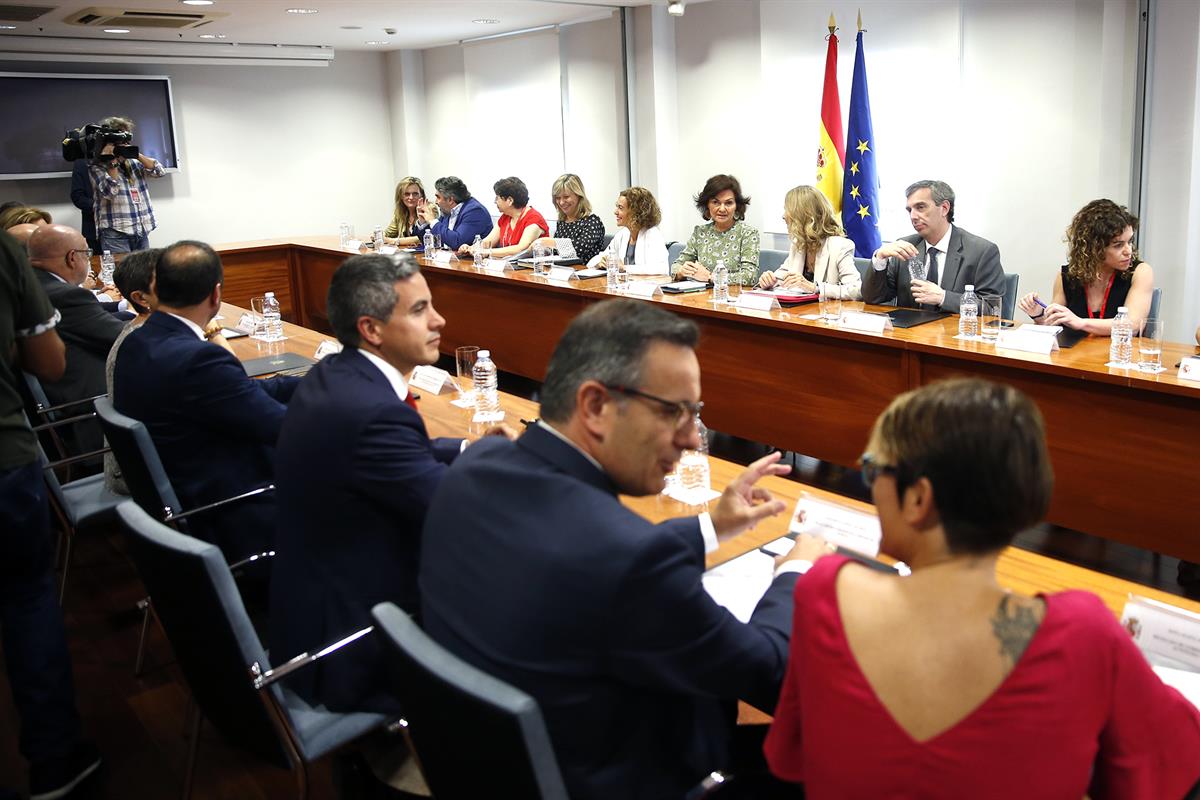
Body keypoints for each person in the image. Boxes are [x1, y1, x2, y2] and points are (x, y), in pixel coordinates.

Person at [420, 298, 828, 800]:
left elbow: (585, 547)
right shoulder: (628, 562)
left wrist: (711, 525)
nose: (694, 438)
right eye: (674, 412)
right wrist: (797, 571)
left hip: (492, 766)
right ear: (594, 406)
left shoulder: (477, 467)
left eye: (695, 414)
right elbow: (769, 670)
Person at [764, 377, 1200, 798]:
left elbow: (791, 759)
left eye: (873, 468)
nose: (868, 481)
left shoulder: (823, 592)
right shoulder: (1085, 634)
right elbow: (1173, 759)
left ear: (918, 499)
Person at [270, 253, 473, 714]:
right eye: (420, 310)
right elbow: (454, 516)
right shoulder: (373, 413)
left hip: (309, 606)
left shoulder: (335, 374)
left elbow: (382, 459)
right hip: (355, 640)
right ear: (372, 329)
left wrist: (464, 450)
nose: (440, 320)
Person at [113, 241, 300, 560]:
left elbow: (240, 394)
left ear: (155, 287)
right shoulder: (199, 359)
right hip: (236, 511)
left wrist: (312, 384)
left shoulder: (137, 342)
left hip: (183, 497)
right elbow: (282, 428)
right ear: (216, 295)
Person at [0, 230, 102, 800]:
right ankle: (55, 763)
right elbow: (47, 359)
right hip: (5, 460)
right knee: (23, 602)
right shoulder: (7, 261)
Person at [27, 224, 127, 459]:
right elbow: (122, 338)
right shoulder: (63, 294)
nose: (88, 260)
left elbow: (92, 324)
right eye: (87, 253)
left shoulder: (34, 284)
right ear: (73, 257)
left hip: (60, 406)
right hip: (93, 418)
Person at [862, 179, 1005, 312]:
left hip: (954, 336)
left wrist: (943, 297)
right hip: (909, 335)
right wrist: (880, 258)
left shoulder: (981, 251)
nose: (913, 216)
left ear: (944, 208)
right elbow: (873, 298)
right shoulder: (905, 248)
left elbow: (992, 308)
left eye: (920, 207)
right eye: (909, 210)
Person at [1017, 199, 1154, 335]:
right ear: (1095, 248)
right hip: (1075, 355)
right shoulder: (1066, 276)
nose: (1128, 251)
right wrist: (1039, 315)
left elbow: (1133, 325)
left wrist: (1081, 322)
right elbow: (1054, 325)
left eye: (1129, 241)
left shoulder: (1140, 272)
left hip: (1118, 354)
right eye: (1118, 245)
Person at [103, 248, 160, 495]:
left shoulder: (140, 331)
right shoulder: (147, 346)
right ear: (141, 298)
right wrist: (215, 333)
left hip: (136, 460)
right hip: (142, 472)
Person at [758, 185, 861, 299]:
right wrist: (769, 280)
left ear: (803, 216)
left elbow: (856, 290)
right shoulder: (799, 244)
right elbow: (781, 277)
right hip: (799, 313)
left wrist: (815, 288)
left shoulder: (840, 246)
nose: (784, 216)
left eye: (787, 210)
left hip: (827, 314)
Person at [88, 116, 166, 253]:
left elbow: (159, 172)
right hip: (116, 233)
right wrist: (111, 162)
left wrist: (136, 154)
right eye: (119, 139)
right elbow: (109, 192)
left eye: (125, 138)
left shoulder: (134, 161)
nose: (123, 143)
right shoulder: (97, 167)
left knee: (143, 273)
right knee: (122, 273)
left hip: (141, 228)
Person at [672, 174, 760, 286]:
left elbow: (750, 276)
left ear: (737, 206)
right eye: (715, 202)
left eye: (728, 203)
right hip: (699, 297)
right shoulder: (700, 232)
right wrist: (681, 272)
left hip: (732, 298)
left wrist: (710, 277)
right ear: (707, 205)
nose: (722, 209)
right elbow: (676, 265)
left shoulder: (748, 233)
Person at [455, 176, 548, 259]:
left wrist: (487, 252)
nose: (495, 202)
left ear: (510, 200)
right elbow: (488, 242)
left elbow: (521, 249)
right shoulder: (505, 217)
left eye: (497, 198)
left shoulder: (534, 218)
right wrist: (471, 248)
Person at [586, 186, 669, 275]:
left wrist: (624, 268)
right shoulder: (622, 234)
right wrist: (599, 263)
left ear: (636, 212)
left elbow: (661, 269)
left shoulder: (653, 234)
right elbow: (595, 260)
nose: (615, 212)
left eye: (620, 208)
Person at [536, 173, 605, 265]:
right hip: (562, 272)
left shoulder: (593, 221)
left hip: (585, 275)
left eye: (566, 197)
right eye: (558, 198)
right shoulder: (562, 222)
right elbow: (557, 253)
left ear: (579, 196)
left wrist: (549, 242)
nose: (561, 202)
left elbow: (580, 248)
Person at [420, 176, 492, 250]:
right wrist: (423, 222)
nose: (436, 202)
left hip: (473, 260)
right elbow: (430, 240)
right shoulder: (447, 211)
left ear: (450, 200)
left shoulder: (474, 211)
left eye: (438, 197)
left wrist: (432, 221)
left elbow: (457, 242)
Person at [383, 176, 431, 247]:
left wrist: (392, 241)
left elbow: (421, 237)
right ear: (401, 196)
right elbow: (388, 233)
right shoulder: (400, 213)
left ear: (422, 195)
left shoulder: (429, 209)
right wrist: (380, 236)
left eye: (415, 194)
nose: (411, 198)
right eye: (407, 194)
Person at [71, 159, 98, 252]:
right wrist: (101, 208)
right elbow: (78, 197)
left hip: (131, 229)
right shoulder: (83, 164)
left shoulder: (127, 160)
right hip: (94, 228)